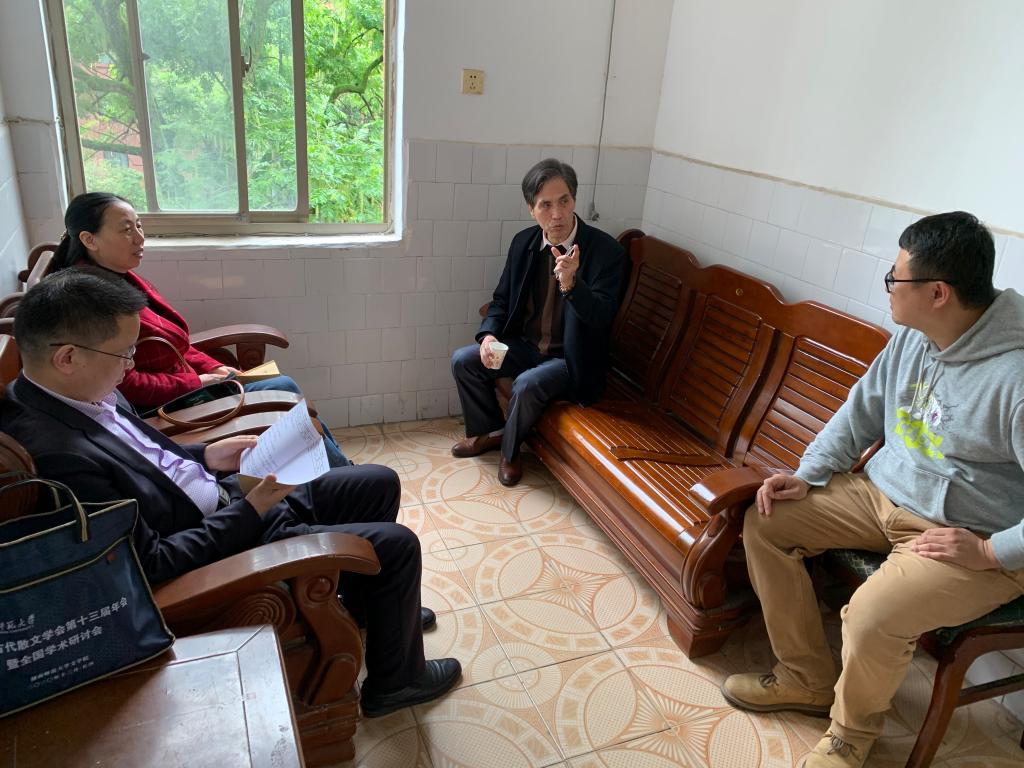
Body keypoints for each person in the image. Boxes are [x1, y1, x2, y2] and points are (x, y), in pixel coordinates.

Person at [0, 269, 461, 717]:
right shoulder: (60, 456)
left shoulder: (75, 392)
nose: (131, 365)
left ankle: (370, 612)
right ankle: (396, 684)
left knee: (377, 482)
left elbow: (144, 456)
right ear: (68, 357)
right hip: (220, 542)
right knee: (396, 545)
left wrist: (208, 455)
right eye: (124, 354)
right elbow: (151, 564)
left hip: (222, 500)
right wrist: (253, 509)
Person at [719, 212, 1024, 767]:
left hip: (968, 537)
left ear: (937, 293)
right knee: (766, 519)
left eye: (895, 277)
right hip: (881, 496)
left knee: (871, 614)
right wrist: (808, 473)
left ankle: (849, 739)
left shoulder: (1016, 378)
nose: (887, 286)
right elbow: (859, 411)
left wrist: (988, 550)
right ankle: (806, 678)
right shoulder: (913, 337)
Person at [50, 192, 351, 467]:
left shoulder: (119, 276)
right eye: (126, 230)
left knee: (280, 388)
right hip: (161, 408)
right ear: (89, 239)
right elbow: (126, 384)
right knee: (282, 389)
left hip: (184, 385)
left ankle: (342, 472)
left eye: (139, 226)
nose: (139, 238)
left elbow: (176, 344)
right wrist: (196, 381)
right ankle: (343, 477)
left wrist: (214, 367)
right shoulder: (90, 301)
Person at [450, 159, 626, 486]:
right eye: (546, 205)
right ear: (531, 209)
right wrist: (488, 336)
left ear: (574, 200)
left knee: (526, 384)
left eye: (564, 201)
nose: (557, 214)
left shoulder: (606, 252)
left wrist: (571, 284)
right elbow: (502, 299)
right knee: (464, 360)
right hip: (526, 347)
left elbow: (601, 315)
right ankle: (490, 432)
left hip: (571, 359)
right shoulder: (524, 243)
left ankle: (510, 452)